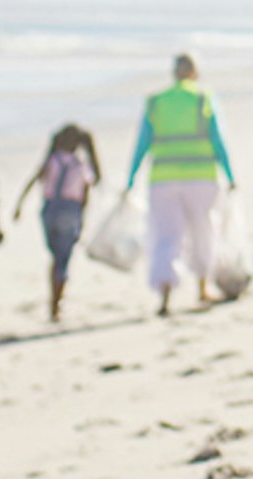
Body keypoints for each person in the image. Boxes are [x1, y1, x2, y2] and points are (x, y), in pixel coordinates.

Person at [124, 52, 236, 314]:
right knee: (203, 232)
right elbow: (218, 140)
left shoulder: (156, 101)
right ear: (195, 73)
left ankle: (165, 296)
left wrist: (131, 178)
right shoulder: (203, 98)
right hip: (201, 177)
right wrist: (230, 175)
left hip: (163, 179)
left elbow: (142, 143)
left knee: (166, 236)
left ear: (173, 73)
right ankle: (202, 288)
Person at [12, 121, 105, 322]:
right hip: (70, 211)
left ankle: (54, 300)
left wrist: (19, 206)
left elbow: (32, 181)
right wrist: (82, 221)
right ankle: (56, 304)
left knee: (55, 256)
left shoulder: (51, 160)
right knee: (63, 258)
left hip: (49, 211)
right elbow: (85, 195)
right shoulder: (80, 165)